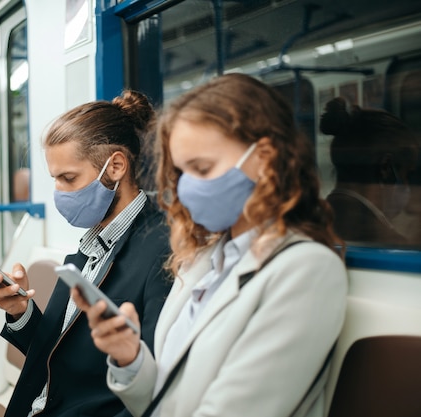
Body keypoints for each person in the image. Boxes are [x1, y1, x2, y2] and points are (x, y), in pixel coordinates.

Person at [74, 74, 348, 417]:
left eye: (202, 168)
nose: (187, 189)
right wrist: (129, 356)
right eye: (182, 173)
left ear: (263, 157)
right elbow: (164, 401)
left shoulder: (306, 270)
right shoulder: (202, 260)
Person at [0, 90, 173, 417]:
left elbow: (154, 385)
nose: (60, 193)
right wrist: (19, 312)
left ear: (115, 166)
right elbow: (58, 355)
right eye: (55, 179)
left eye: (69, 178)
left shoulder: (163, 251)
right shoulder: (90, 246)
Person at [321, 97, 420, 246]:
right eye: (405, 175)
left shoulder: (319, 217)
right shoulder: (385, 240)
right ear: (385, 168)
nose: (407, 187)